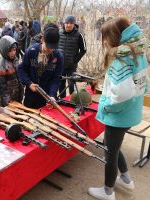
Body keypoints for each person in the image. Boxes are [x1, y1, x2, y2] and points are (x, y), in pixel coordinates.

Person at [88, 17, 148, 200]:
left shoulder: (120, 60)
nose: (103, 42)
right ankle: (126, 179)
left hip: (119, 115)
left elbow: (120, 95)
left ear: (113, 37)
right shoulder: (137, 53)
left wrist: (106, 107)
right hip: (132, 112)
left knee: (110, 152)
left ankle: (107, 191)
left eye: (104, 37)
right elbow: (144, 84)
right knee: (112, 145)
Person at [18, 27, 63, 108]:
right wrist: (29, 83)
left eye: (53, 47)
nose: (51, 49)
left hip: (47, 98)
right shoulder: (31, 51)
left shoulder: (58, 56)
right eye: (48, 46)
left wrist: (52, 95)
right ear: (42, 40)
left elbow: (56, 79)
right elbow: (21, 70)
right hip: (30, 96)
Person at [58, 15, 87, 98]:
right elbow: (55, 46)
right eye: (66, 23)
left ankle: (72, 100)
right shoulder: (59, 33)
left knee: (71, 84)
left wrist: (75, 60)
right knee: (61, 84)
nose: (68, 25)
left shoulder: (79, 35)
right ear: (64, 23)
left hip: (71, 66)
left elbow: (84, 49)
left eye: (71, 23)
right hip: (60, 65)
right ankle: (62, 100)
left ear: (74, 24)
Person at [0, 36, 23, 107]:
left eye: (15, 50)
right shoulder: (0, 66)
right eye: (11, 50)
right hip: (8, 103)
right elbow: (1, 89)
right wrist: (8, 104)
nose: (13, 52)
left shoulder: (16, 60)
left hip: (18, 98)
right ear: (5, 50)